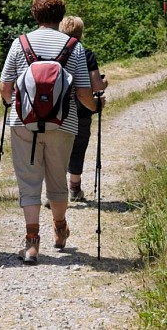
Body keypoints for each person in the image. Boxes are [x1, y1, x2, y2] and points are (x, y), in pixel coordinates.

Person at [0, 0, 105, 265]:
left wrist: (14, 103)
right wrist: (97, 106)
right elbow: (83, 94)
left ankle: (32, 242)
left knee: (28, 180)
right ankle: (59, 227)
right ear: (60, 16)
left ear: (34, 15)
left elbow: (5, 88)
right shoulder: (74, 46)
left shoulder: (19, 43)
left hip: (24, 123)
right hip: (63, 123)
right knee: (57, 180)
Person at [58, 16, 108, 202]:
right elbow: (96, 86)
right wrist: (105, 83)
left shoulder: (55, 53)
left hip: (56, 109)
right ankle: (74, 188)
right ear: (81, 33)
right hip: (81, 110)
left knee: (57, 149)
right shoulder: (86, 54)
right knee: (78, 148)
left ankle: (54, 190)